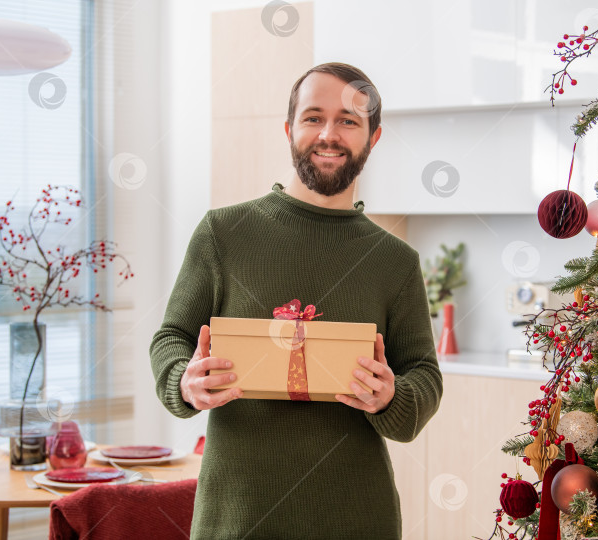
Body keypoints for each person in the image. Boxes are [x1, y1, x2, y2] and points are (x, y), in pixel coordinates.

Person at [150, 62, 443, 540]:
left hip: (357, 519)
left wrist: (392, 395)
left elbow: (424, 376)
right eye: (313, 117)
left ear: (373, 137)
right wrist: (183, 382)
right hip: (236, 518)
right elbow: (173, 337)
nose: (329, 133)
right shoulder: (222, 234)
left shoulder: (396, 261)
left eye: (349, 121)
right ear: (289, 129)